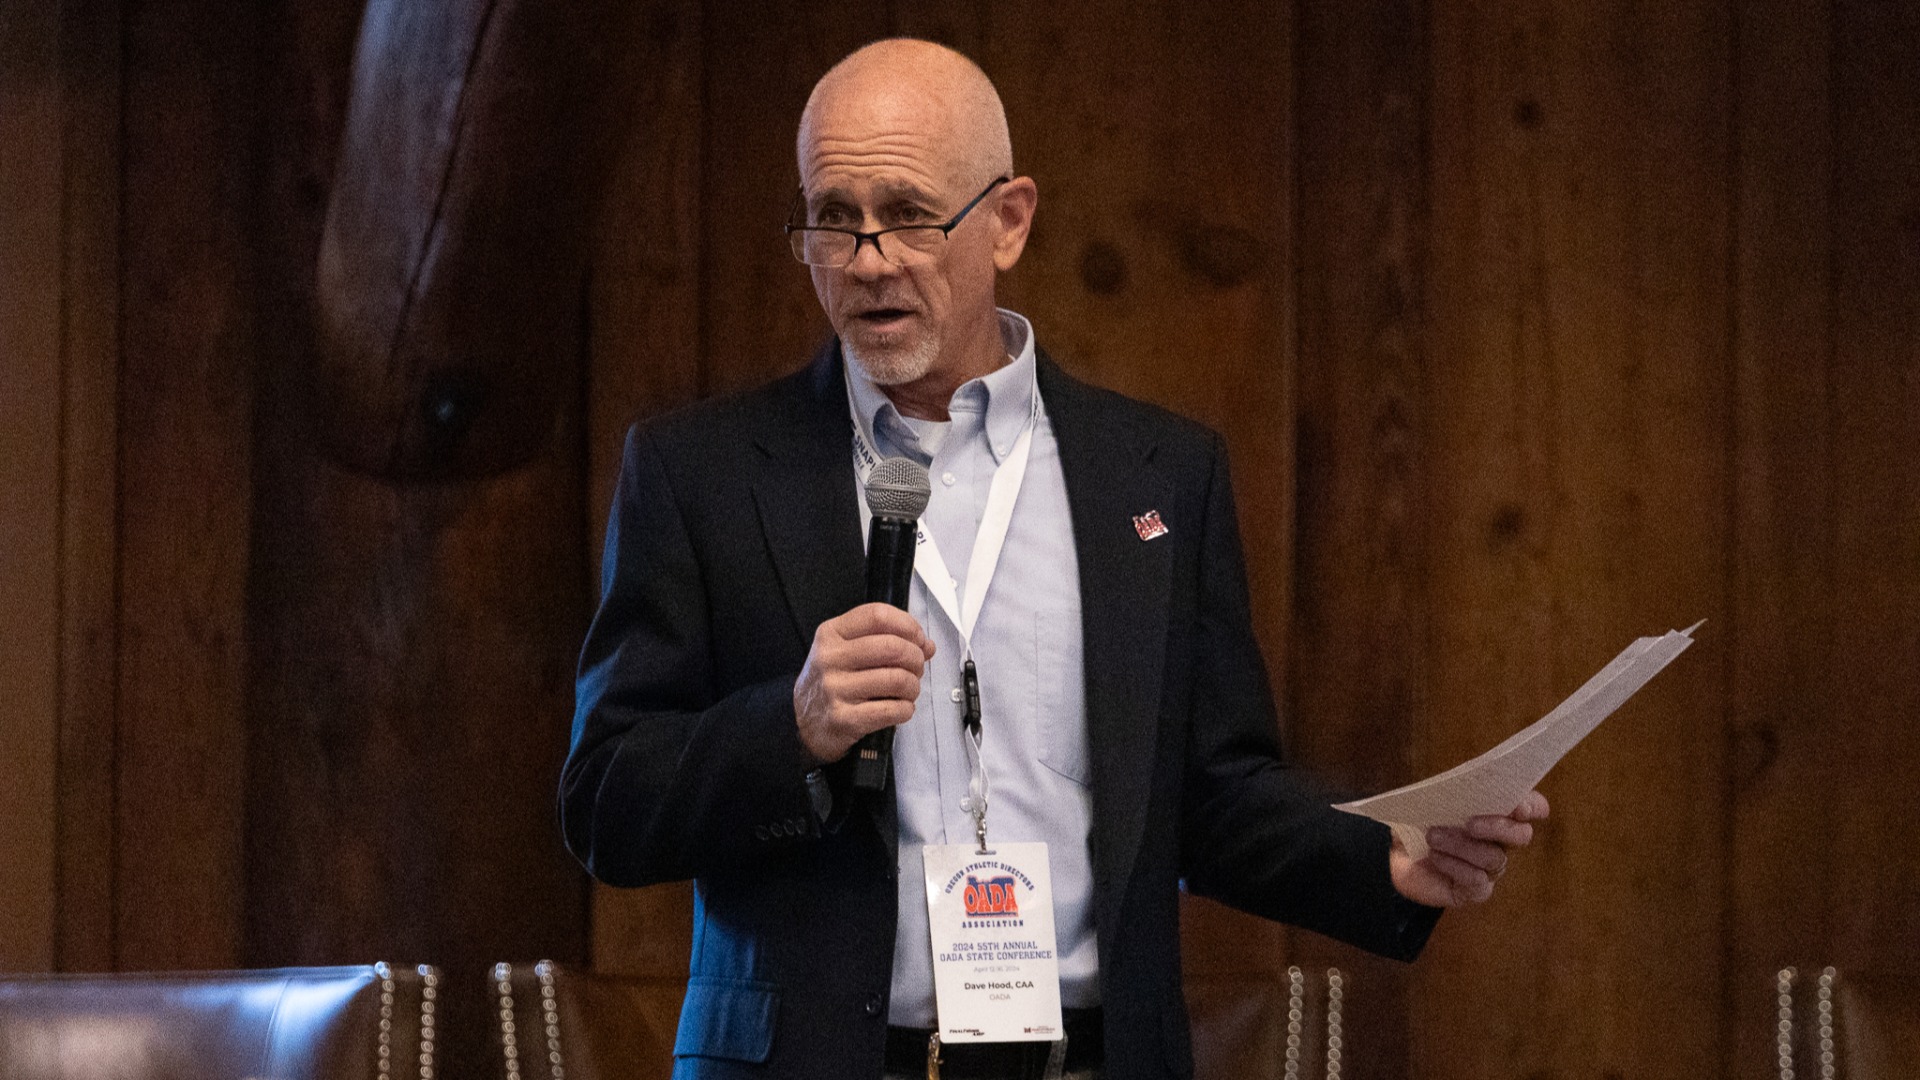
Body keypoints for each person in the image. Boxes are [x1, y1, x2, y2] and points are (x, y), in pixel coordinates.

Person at [561, 38, 1546, 1080]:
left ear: (1009, 221)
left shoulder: (1157, 475)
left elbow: (1209, 797)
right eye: (833, 219)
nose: (868, 261)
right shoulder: (702, 473)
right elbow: (606, 801)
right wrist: (790, 726)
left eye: (908, 214)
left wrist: (1383, 855)